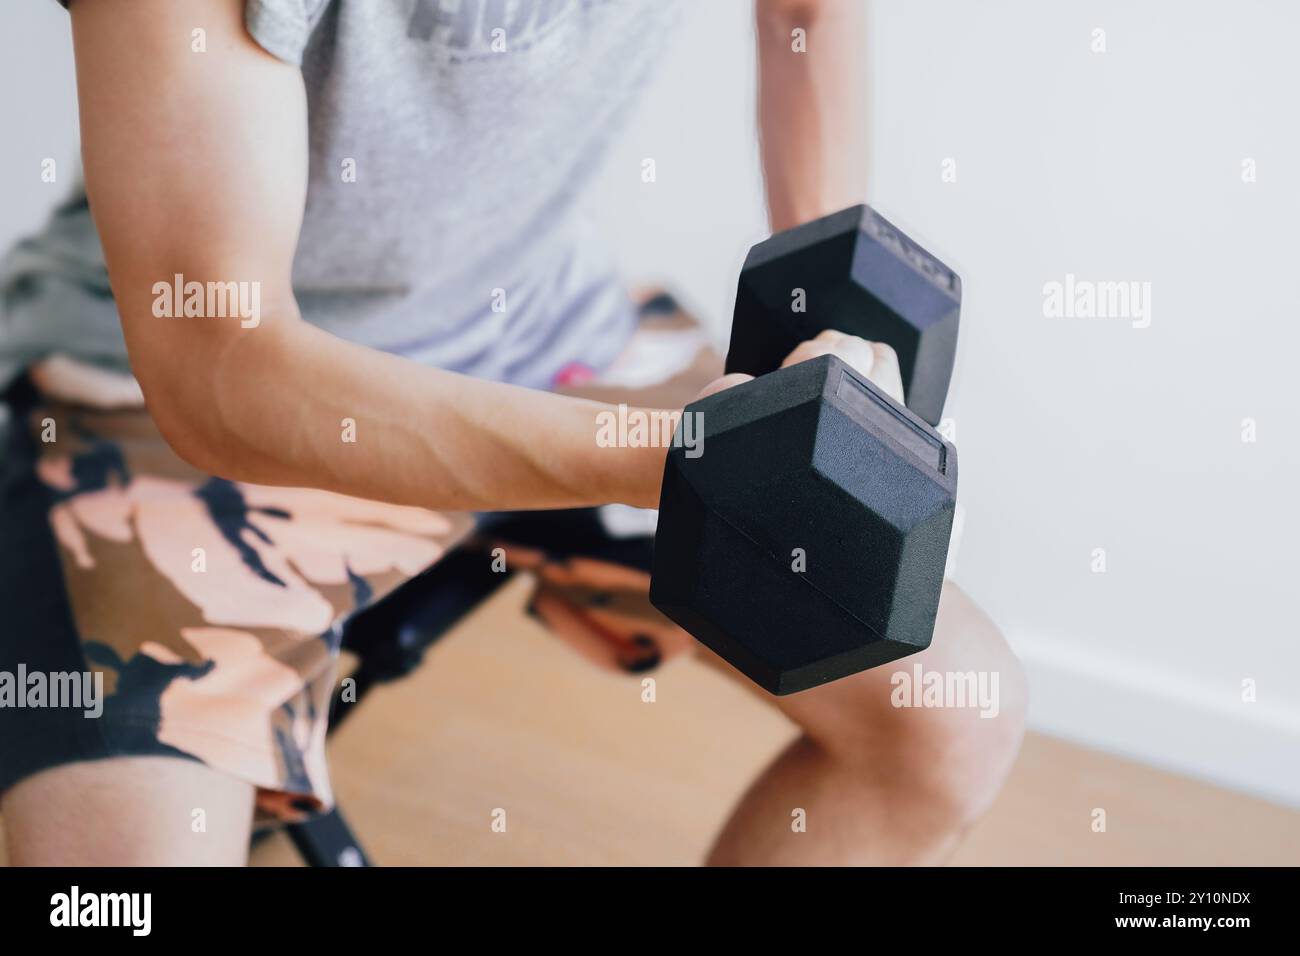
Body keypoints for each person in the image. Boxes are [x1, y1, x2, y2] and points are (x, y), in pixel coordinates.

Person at [0, 0, 1025, 866]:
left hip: (545, 333)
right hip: (163, 402)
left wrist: (827, 292)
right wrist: (689, 456)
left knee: (946, 724)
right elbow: (215, 369)